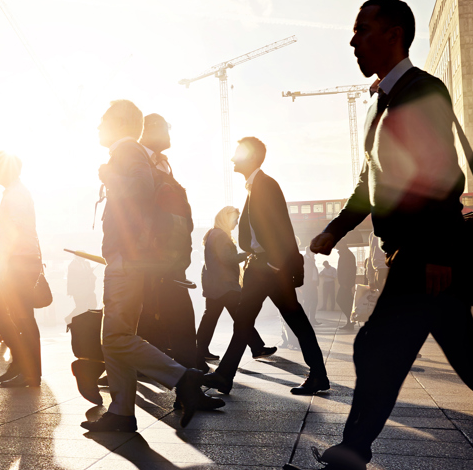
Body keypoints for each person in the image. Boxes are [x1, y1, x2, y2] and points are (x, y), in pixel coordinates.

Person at [291, 0, 473, 470]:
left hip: (424, 254)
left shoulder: (423, 91)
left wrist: (439, 255)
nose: (353, 41)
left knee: (380, 347)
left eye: (362, 30)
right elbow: (370, 180)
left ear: (394, 35)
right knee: (471, 359)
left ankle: (353, 450)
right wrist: (335, 229)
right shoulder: (378, 103)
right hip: (415, 253)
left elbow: (443, 177)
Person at [79, 100, 219, 433]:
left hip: (126, 259)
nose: (97, 127)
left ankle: (183, 378)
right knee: (118, 335)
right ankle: (122, 411)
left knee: (113, 338)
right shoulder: (131, 151)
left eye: (102, 120)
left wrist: (109, 175)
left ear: (120, 123)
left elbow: (140, 191)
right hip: (130, 258)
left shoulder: (127, 150)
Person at [203, 137, 328, 396]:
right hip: (261, 267)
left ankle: (318, 375)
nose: (232, 158)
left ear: (251, 157)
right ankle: (225, 376)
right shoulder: (254, 186)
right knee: (246, 322)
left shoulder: (265, 185)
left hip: (268, 269)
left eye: (237, 153)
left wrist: (274, 264)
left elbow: (282, 226)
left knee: (292, 320)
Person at [135, 113, 201, 369]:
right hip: (150, 254)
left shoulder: (163, 163)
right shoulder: (138, 158)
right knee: (155, 311)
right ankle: (185, 370)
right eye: (166, 128)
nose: (169, 134)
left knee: (166, 311)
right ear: (151, 129)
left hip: (170, 253)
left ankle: (185, 367)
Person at [0, 152, 45, 388]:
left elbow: (18, 231)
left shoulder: (16, 195)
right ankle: (23, 364)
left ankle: (28, 370)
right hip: (19, 261)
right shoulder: (15, 193)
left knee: (18, 317)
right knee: (15, 315)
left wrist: (4, 261)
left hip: (17, 263)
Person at [197, 206, 276, 362]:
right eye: (234, 219)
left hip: (215, 284)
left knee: (210, 318)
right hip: (225, 285)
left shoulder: (213, 234)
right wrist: (247, 254)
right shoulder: (220, 235)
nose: (236, 223)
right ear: (226, 219)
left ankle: (200, 351)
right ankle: (257, 347)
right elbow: (227, 258)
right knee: (242, 316)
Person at [336, 243, 358, 330]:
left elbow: (348, 270)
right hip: (345, 283)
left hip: (346, 284)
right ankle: (350, 321)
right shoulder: (345, 253)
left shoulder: (347, 254)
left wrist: (346, 283)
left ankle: (351, 320)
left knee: (341, 300)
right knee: (347, 302)